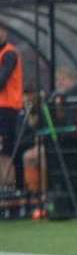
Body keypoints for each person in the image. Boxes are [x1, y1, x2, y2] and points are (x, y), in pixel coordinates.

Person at [0, 21, 23, 191]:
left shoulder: (9, 53)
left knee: (6, 149)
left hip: (8, 108)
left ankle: (9, 188)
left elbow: (2, 80)